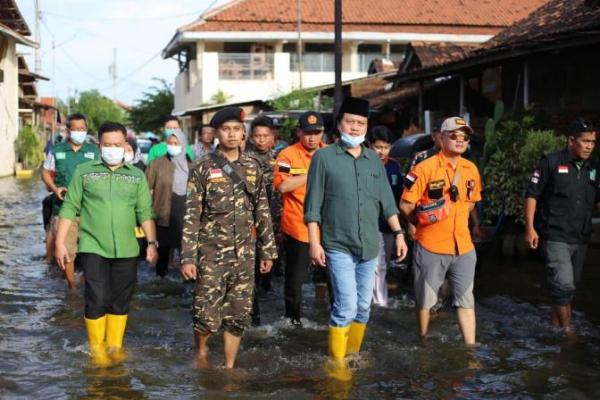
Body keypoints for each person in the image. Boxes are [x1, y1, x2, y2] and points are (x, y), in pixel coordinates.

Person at [304, 97, 408, 381]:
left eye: (361, 123)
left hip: (369, 245)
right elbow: (312, 206)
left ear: (366, 126)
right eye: (350, 121)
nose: (355, 126)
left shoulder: (374, 159)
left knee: (364, 307)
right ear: (339, 124)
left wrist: (399, 233)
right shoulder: (323, 158)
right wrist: (315, 242)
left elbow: (387, 203)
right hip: (338, 244)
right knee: (346, 306)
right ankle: (336, 364)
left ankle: (352, 355)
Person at [180, 107, 277, 369]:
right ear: (216, 133)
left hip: (244, 254)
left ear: (243, 133)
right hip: (210, 253)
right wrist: (188, 257)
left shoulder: (254, 166)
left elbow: (263, 210)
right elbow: (192, 215)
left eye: (236, 129)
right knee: (205, 312)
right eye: (226, 129)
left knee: (238, 313)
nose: (232, 134)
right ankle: (201, 353)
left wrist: (267, 251)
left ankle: (229, 366)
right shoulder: (202, 167)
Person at [55, 121, 158, 367]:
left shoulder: (136, 176)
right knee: (97, 297)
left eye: (117, 144)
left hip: (127, 247)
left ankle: (114, 346)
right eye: (107, 145)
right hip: (93, 245)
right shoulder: (85, 171)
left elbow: (145, 211)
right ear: (99, 145)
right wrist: (60, 243)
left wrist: (152, 242)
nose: (112, 149)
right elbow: (70, 206)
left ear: (125, 145)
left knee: (121, 299)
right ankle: (97, 349)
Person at [399, 116, 481, 346]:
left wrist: (461, 218)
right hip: (431, 245)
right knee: (425, 301)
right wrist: (420, 221)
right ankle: (423, 338)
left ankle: (470, 349)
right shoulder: (424, 167)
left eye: (464, 137)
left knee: (466, 300)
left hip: (463, 246)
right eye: (454, 135)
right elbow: (405, 205)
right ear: (440, 138)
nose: (460, 140)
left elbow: (472, 200)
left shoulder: (471, 169)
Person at [524, 118, 599, 335]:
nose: (589, 146)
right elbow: (532, 195)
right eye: (585, 141)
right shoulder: (551, 162)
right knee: (564, 285)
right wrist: (530, 228)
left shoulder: (593, 168)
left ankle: (554, 328)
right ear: (571, 140)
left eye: (592, 142)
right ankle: (568, 333)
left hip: (581, 236)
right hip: (554, 235)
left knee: (567, 288)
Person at [274, 111, 325, 326]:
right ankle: (292, 321)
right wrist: (313, 171)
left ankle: (330, 319)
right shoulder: (287, 155)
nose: (312, 138)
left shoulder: (332, 153)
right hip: (297, 226)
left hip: (328, 226)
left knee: (330, 278)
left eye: (316, 133)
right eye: (307, 133)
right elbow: (283, 186)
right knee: (295, 280)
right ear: (299, 133)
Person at [41, 113, 100, 289]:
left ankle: (86, 281)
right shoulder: (57, 151)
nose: (80, 132)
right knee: (67, 251)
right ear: (68, 131)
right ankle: (72, 287)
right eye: (76, 129)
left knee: (91, 251)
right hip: (63, 209)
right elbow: (45, 172)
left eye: (83, 129)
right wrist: (54, 188)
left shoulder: (94, 151)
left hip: (90, 210)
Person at [245, 115, 279, 326]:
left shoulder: (282, 158)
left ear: (272, 137)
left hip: (277, 222)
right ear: (250, 137)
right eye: (257, 136)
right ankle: (253, 316)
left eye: (265, 136)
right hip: (252, 222)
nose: (261, 140)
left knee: (271, 270)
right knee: (252, 271)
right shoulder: (244, 160)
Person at [146, 129, 192, 277]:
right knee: (163, 253)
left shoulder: (193, 165)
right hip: (163, 215)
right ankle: (162, 284)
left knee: (187, 253)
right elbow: (146, 189)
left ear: (183, 144)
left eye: (176, 143)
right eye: (170, 143)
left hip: (185, 215)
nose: (172, 146)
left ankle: (187, 284)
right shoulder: (156, 164)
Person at [368, 126, 403, 307]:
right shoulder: (363, 164)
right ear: (370, 146)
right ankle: (380, 302)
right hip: (369, 223)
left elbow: (399, 196)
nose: (382, 152)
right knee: (377, 265)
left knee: (383, 264)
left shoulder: (394, 166)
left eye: (386, 147)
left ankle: (377, 298)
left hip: (390, 223)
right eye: (378, 147)